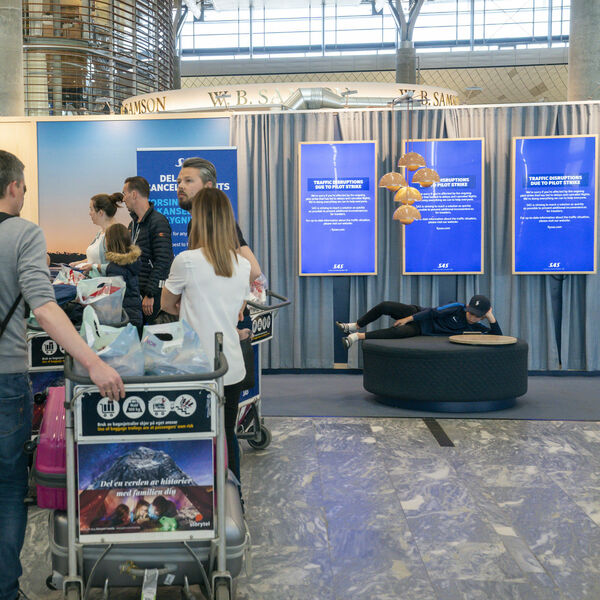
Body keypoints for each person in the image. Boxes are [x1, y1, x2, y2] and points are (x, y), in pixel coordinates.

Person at [0, 150, 124, 600]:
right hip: (5, 377)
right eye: (25, 186)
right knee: (7, 488)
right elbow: (45, 306)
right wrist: (93, 362)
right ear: (14, 187)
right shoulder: (22, 233)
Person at [161, 188, 250, 480]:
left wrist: (189, 307)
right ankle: (235, 499)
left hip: (194, 368)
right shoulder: (243, 265)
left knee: (195, 439)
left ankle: (201, 501)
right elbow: (236, 310)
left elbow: (166, 304)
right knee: (227, 434)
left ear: (198, 220)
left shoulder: (186, 261)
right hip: (231, 366)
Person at [176, 157, 261, 282]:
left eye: (188, 181)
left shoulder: (217, 221)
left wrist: (224, 291)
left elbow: (253, 271)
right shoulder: (193, 223)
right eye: (179, 182)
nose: (181, 186)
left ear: (208, 186)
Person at [337, 295, 502, 348]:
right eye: (470, 313)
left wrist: (491, 317)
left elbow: (498, 337)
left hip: (422, 329)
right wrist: (407, 318)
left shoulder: (476, 327)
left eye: (477, 315)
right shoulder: (457, 307)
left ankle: (356, 337)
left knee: (399, 332)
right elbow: (432, 312)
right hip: (417, 313)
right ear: (467, 308)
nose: (472, 317)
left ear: (482, 316)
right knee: (385, 305)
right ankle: (354, 326)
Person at [122, 176, 173, 324]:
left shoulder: (158, 221)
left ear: (134, 194)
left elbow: (164, 260)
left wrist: (151, 293)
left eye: (124, 194)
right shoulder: (132, 225)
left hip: (150, 297)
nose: (123, 199)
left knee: (152, 335)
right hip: (135, 294)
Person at [90, 223, 143, 332]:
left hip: (124, 320)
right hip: (135, 316)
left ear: (110, 242)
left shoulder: (115, 268)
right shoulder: (133, 262)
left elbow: (111, 300)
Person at [70, 192, 123, 273]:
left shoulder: (115, 234)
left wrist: (93, 267)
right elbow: (95, 259)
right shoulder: (100, 233)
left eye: (91, 209)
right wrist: (78, 263)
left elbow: (118, 267)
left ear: (100, 212)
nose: (89, 213)